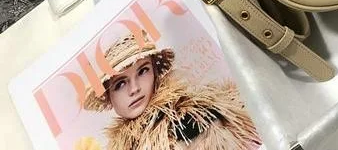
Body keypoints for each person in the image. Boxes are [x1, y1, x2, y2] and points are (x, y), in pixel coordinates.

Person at [83, 31, 261, 150]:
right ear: (108, 96)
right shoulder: (124, 143)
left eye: (143, 71)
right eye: (120, 84)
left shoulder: (188, 119)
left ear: (155, 72)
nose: (134, 88)